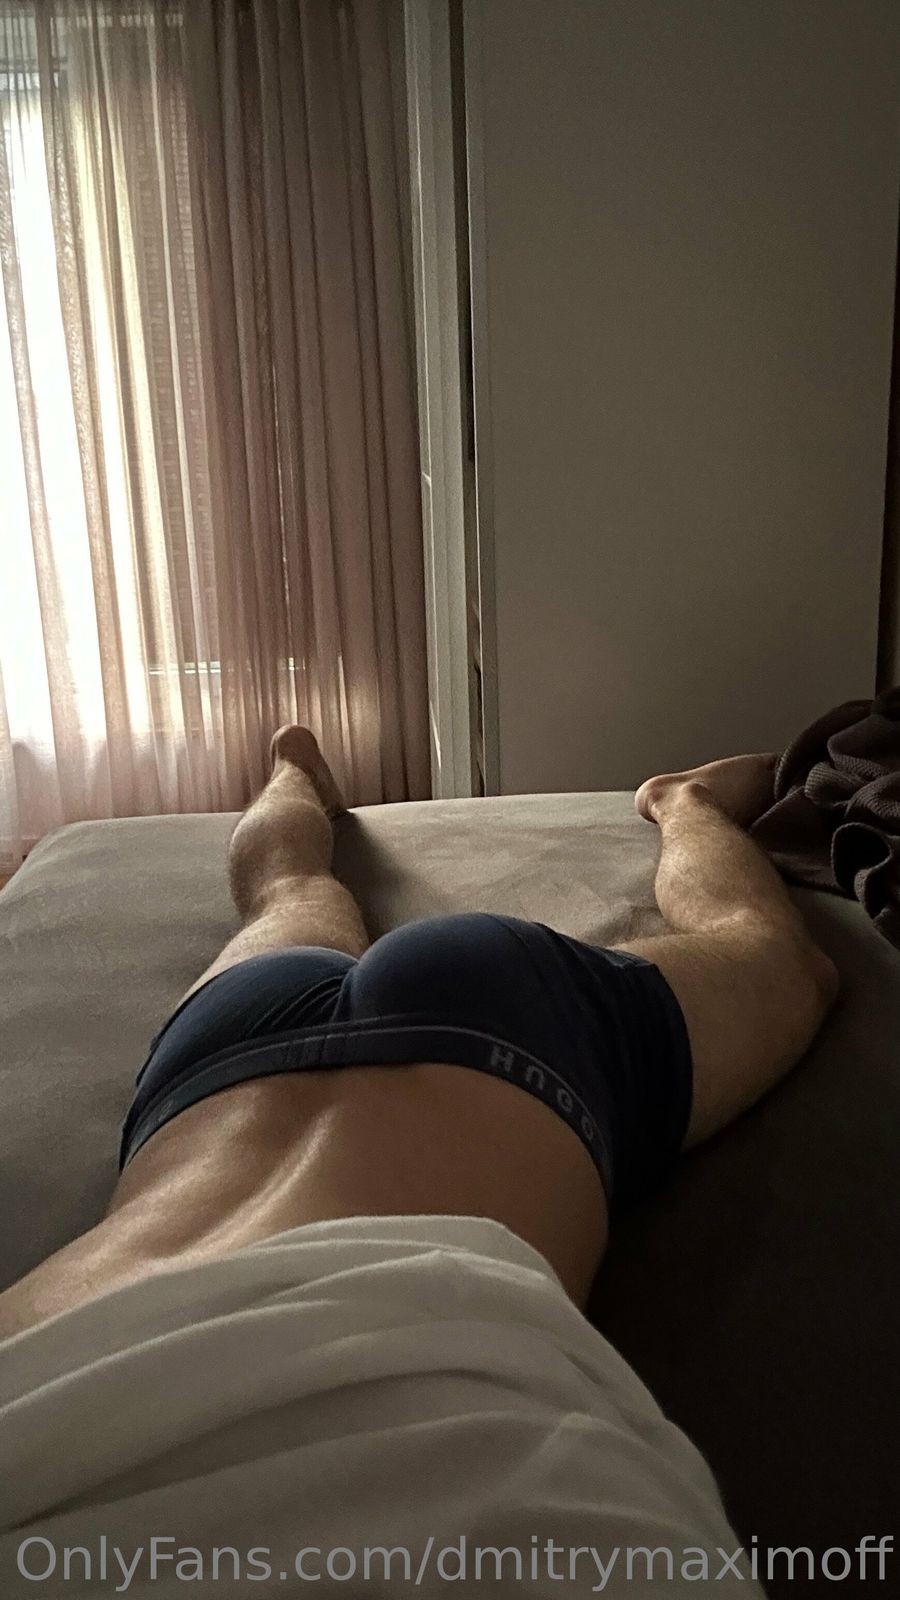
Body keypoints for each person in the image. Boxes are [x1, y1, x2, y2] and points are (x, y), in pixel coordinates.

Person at [0, 727, 838, 1597]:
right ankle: (665, 798)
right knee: (288, 891)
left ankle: (304, 773)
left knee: (287, 893)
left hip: (432, 1059)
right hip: (254, 1071)